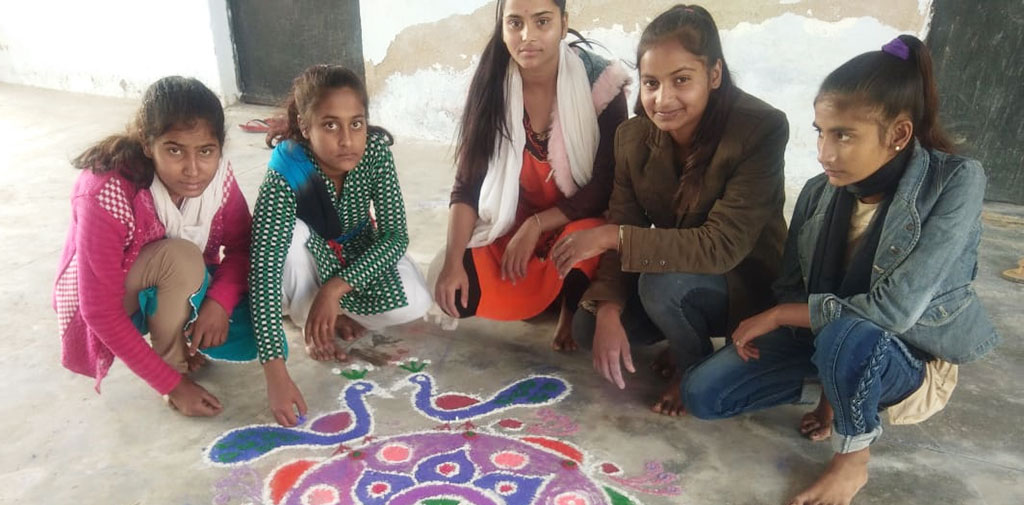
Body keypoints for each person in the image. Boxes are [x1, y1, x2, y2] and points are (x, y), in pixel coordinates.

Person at [683, 35, 999, 505]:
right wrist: (788, 329)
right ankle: (836, 387)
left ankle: (853, 457)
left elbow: (893, 311)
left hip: (904, 355)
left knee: (852, 331)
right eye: (821, 133)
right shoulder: (818, 192)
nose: (825, 153)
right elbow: (792, 286)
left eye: (844, 136)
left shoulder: (954, 182)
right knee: (703, 395)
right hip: (829, 341)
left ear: (898, 134)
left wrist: (780, 315)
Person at [567, 4, 788, 415]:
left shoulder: (760, 129)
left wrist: (614, 237)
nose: (662, 99)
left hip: (742, 283)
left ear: (714, 75)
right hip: (674, 275)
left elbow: (720, 247)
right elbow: (624, 221)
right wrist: (610, 306)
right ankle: (677, 330)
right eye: (651, 83)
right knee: (589, 325)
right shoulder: (632, 138)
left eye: (681, 80)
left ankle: (694, 367)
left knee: (659, 285)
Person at [433, 0, 630, 350]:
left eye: (542, 22)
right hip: (513, 220)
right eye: (515, 23)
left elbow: (605, 186)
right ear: (503, 28)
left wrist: (537, 225)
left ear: (563, 24)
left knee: (586, 239)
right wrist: (452, 263)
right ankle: (543, 290)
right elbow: (466, 187)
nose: (527, 36)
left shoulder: (601, 84)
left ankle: (568, 306)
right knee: (454, 290)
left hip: (577, 219)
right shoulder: (491, 84)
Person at [54, 76, 252, 416]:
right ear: (148, 145)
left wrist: (218, 303)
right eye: (174, 150)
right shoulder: (106, 189)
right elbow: (98, 307)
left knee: (253, 334)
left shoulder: (219, 178)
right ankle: (173, 366)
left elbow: (243, 246)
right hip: (119, 300)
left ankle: (179, 331)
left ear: (219, 147)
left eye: (206, 151)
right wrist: (172, 384)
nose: (193, 169)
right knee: (181, 258)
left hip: (170, 282)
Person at [249, 64, 432, 426]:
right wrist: (276, 376)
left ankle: (331, 310)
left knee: (415, 300)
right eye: (330, 126)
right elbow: (264, 274)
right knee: (291, 237)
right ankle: (309, 317)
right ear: (305, 127)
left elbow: (395, 236)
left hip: (354, 255)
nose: (347, 140)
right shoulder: (286, 172)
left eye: (356, 124)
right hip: (304, 262)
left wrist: (335, 289)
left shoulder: (376, 153)